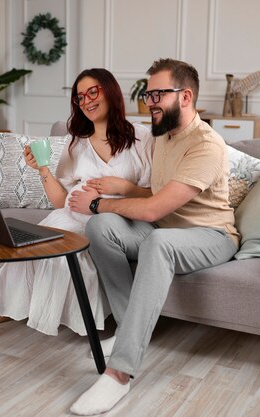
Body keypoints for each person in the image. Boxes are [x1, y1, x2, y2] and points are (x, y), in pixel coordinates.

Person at [67, 59, 240, 415]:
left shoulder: (206, 145)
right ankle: (131, 323)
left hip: (210, 235)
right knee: (99, 228)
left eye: (159, 94)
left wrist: (98, 203)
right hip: (166, 228)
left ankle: (119, 374)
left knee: (152, 240)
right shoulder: (163, 137)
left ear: (186, 96)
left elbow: (152, 211)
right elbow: (152, 194)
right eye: (148, 94)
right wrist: (124, 190)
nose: (150, 102)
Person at [0, 68, 153, 337]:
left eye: (93, 92)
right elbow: (61, 202)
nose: (87, 101)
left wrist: (124, 187)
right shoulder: (75, 143)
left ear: (110, 91)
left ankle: (32, 310)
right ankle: (2, 301)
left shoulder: (142, 137)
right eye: (80, 97)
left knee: (69, 250)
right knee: (35, 242)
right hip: (72, 213)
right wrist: (42, 170)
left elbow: (156, 194)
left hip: (115, 219)